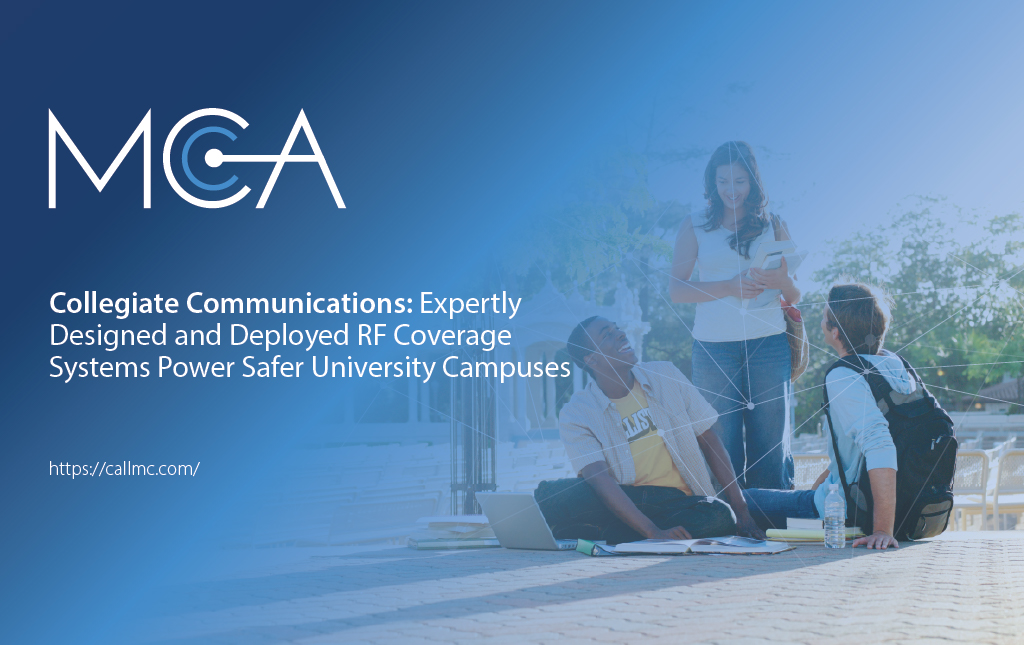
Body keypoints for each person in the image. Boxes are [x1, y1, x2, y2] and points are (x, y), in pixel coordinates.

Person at [534, 316, 765, 545]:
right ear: (591, 359)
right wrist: (653, 531)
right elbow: (599, 478)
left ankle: (597, 531)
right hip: (627, 498)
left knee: (720, 516)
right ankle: (627, 529)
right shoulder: (576, 412)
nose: (620, 334)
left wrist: (741, 510)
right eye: (607, 335)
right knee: (550, 495)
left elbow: (708, 438)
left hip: (680, 502)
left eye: (617, 328)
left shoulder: (666, 374)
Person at [670, 140, 800, 490]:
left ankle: (771, 517)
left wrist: (782, 281)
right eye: (723, 181)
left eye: (739, 181)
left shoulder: (774, 224)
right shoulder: (694, 225)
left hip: (768, 344)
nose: (731, 189)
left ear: (753, 182)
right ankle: (729, 516)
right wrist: (728, 286)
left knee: (770, 446)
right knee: (720, 445)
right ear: (712, 182)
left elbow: (795, 295)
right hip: (714, 349)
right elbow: (677, 290)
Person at [742, 282, 905, 549]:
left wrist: (882, 530)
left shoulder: (844, 376)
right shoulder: (894, 365)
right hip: (898, 500)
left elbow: (880, 445)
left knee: (739, 501)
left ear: (835, 332)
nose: (820, 322)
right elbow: (851, 454)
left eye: (824, 317)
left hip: (846, 510)